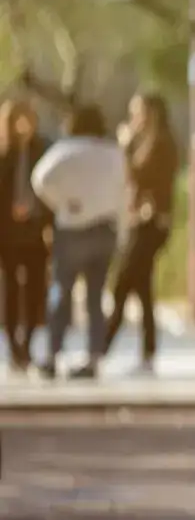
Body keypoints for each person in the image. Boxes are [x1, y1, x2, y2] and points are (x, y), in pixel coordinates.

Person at [29, 104, 126, 380]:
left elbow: (40, 179)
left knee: (61, 291)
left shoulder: (65, 151)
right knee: (95, 297)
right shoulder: (112, 153)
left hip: (71, 229)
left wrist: (63, 203)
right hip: (104, 229)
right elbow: (123, 192)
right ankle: (93, 357)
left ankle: (52, 354)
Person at [103, 91, 179, 372]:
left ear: (151, 114)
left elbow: (137, 176)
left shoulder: (160, 144)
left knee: (123, 282)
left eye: (137, 111)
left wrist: (124, 146)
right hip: (142, 222)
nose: (133, 118)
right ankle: (147, 352)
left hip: (151, 225)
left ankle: (100, 348)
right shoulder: (148, 142)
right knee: (142, 287)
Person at [0, 99, 52, 371]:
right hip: (8, 234)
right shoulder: (4, 154)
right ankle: (13, 346)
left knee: (34, 290)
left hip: (34, 232)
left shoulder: (42, 150)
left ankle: (28, 341)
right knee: (10, 289)